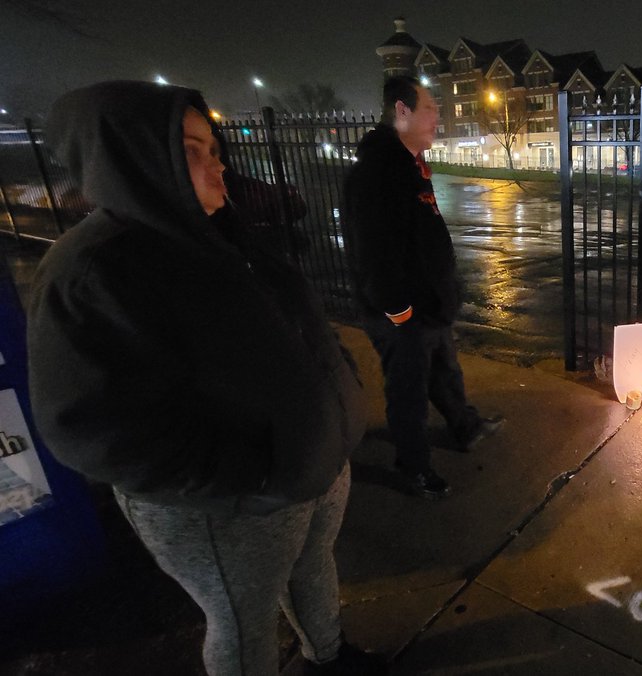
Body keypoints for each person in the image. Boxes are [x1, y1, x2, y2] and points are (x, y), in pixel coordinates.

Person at [27, 81, 384, 676]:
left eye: (214, 145)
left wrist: (339, 399)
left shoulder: (224, 233)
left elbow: (303, 329)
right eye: (192, 147)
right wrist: (250, 473)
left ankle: (330, 657)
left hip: (311, 468)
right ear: (137, 158)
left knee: (313, 567)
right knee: (245, 625)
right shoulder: (94, 270)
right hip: (232, 506)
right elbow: (94, 427)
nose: (217, 159)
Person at [342, 76, 504, 500]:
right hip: (402, 312)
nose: (438, 116)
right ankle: (413, 466)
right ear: (402, 111)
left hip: (427, 306)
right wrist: (400, 312)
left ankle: (465, 428)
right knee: (408, 389)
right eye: (430, 108)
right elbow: (374, 252)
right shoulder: (379, 172)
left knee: (445, 371)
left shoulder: (409, 165)